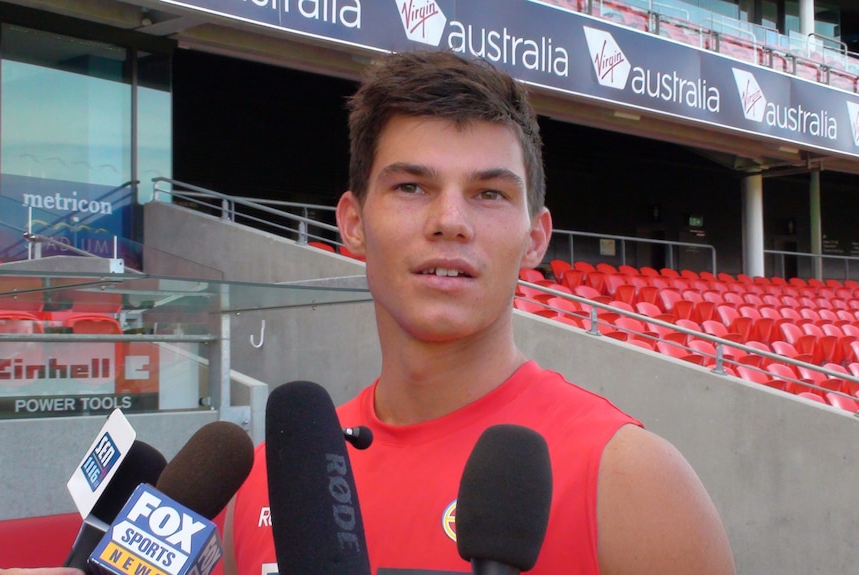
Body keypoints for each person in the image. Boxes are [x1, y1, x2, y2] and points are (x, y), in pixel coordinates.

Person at [225, 50, 736, 575]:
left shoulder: (633, 483)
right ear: (353, 223)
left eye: (489, 193)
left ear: (535, 238)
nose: (450, 221)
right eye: (410, 187)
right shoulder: (265, 480)